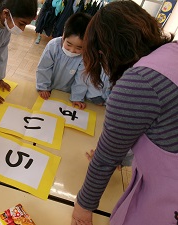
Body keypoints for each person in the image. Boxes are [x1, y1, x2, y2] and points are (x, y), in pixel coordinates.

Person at [70, 1, 176, 224]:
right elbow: (163, 130)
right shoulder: (173, 50)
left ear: (103, 52)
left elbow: (105, 158)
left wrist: (82, 208)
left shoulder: (138, 82)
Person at [36, 13, 109, 109]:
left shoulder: (85, 56)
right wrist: (43, 87)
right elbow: (44, 68)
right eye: (69, 44)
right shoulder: (53, 46)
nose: (72, 50)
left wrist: (77, 97)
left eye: (79, 48)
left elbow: (81, 78)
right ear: (63, 34)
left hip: (68, 92)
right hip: (49, 88)